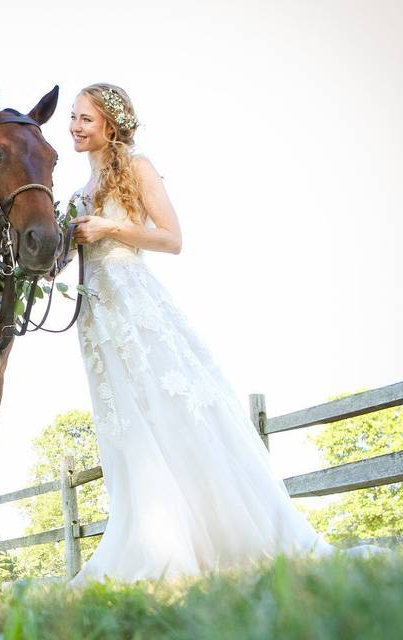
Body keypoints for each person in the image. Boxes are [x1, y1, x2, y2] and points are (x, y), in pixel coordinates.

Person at [66, 83, 335, 584]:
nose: (75, 127)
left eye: (84, 118)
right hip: (95, 316)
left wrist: (108, 229)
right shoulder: (76, 192)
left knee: (169, 412)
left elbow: (173, 239)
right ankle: (153, 532)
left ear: (109, 123)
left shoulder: (138, 169)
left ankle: (217, 533)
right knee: (125, 426)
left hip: (134, 303)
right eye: (73, 118)